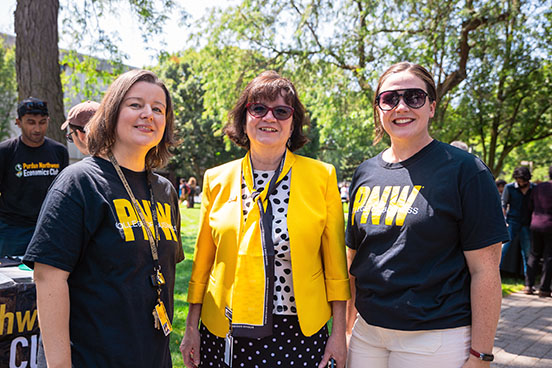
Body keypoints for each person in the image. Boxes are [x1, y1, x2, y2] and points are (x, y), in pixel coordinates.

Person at [180, 71, 350, 368]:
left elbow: (335, 267)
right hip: (224, 326)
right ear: (244, 119)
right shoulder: (216, 179)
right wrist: (191, 328)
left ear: (293, 123)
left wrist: (338, 334)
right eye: (259, 108)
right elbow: (203, 265)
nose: (269, 118)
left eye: (282, 111)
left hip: (298, 330)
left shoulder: (322, 177)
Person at [345, 62, 509, 368]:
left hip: (435, 337)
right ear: (378, 109)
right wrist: (345, 329)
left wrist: (481, 355)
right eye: (390, 98)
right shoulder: (365, 172)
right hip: (367, 334)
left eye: (414, 97)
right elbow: (355, 259)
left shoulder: (465, 171)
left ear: (432, 107)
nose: (401, 106)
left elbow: (486, 271)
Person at [22, 70, 184, 367]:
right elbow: (48, 278)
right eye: (135, 105)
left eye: (158, 108)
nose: (148, 114)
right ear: (111, 113)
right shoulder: (79, 183)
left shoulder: (165, 191)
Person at [0, 97, 68, 257]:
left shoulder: (59, 151)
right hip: (12, 230)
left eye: (42, 122)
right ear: (18, 121)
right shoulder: (6, 151)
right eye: (31, 122)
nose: (37, 128)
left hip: (49, 228)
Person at [500, 166, 535, 279]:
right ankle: (494, 275)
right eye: (518, 180)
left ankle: (528, 280)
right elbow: (503, 204)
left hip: (527, 223)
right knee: (502, 250)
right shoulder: (509, 187)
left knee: (527, 252)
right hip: (512, 221)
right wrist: (504, 221)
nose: (520, 183)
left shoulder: (534, 188)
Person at [525, 165, 552, 297]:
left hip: (535, 224)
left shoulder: (539, 187)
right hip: (550, 226)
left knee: (534, 254)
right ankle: (544, 288)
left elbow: (530, 205)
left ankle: (528, 285)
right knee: (549, 257)